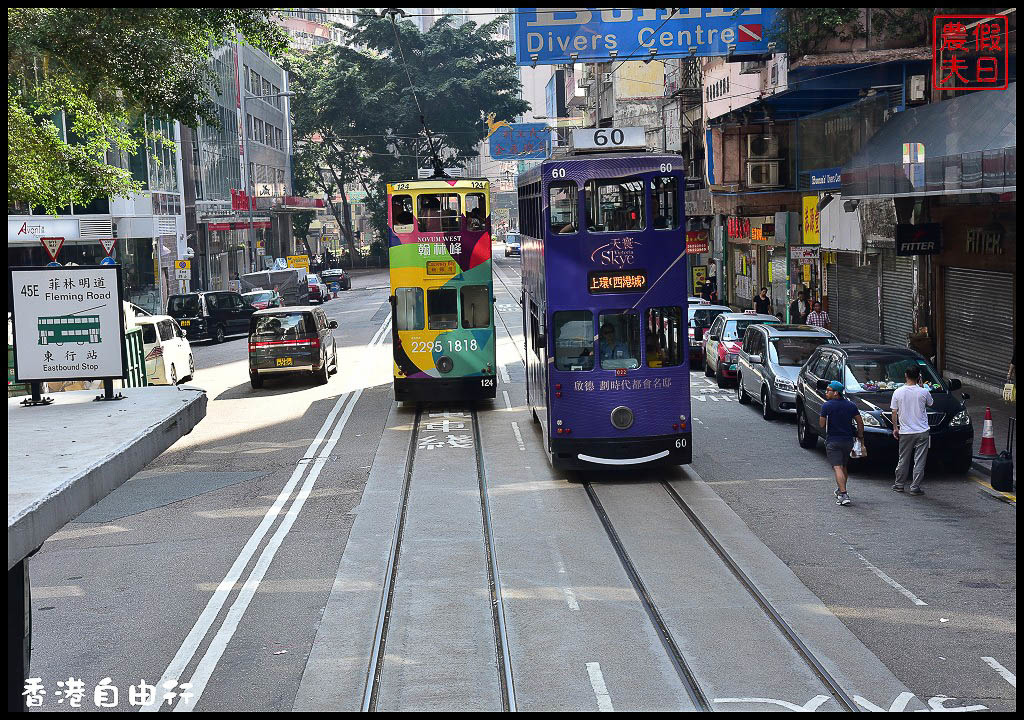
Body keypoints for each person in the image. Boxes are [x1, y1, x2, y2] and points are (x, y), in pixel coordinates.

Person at [819, 380, 865, 506]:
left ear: (836, 393)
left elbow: (821, 424)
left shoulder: (827, 406)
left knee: (837, 467)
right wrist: (860, 436)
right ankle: (840, 489)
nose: (826, 392)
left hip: (833, 441)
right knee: (844, 466)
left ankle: (843, 494)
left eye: (829, 390)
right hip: (848, 441)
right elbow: (860, 422)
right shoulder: (851, 405)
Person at [891, 365, 933, 495]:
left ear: (905, 375)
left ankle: (899, 484)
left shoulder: (898, 392)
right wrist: (921, 387)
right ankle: (915, 487)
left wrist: (895, 428)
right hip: (922, 431)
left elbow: (894, 412)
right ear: (919, 376)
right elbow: (931, 403)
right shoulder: (924, 392)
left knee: (903, 459)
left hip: (905, 432)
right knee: (919, 460)